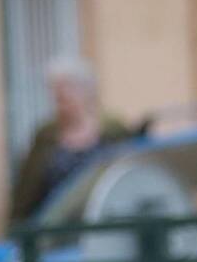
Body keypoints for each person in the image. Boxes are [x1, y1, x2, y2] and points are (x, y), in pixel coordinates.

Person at [7, 56, 131, 224]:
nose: (60, 106)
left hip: (107, 221)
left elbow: (130, 170)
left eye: (65, 99)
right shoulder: (46, 136)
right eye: (56, 99)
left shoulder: (114, 132)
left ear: (85, 94)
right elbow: (27, 190)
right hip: (59, 228)